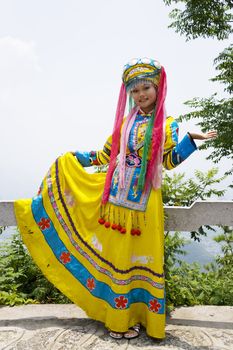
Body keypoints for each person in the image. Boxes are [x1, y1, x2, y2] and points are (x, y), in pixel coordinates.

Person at [14, 57, 217, 340]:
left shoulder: (168, 125)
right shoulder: (125, 123)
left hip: (146, 206)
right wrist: (73, 159)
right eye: (134, 91)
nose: (141, 94)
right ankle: (119, 318)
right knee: (118, 259)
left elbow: (168, 162)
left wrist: (190, 140)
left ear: (158, 88)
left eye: (146, 87)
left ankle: (144, 318)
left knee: (142, 260)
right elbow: (106, 155)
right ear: (129, 95)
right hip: (116, 203)